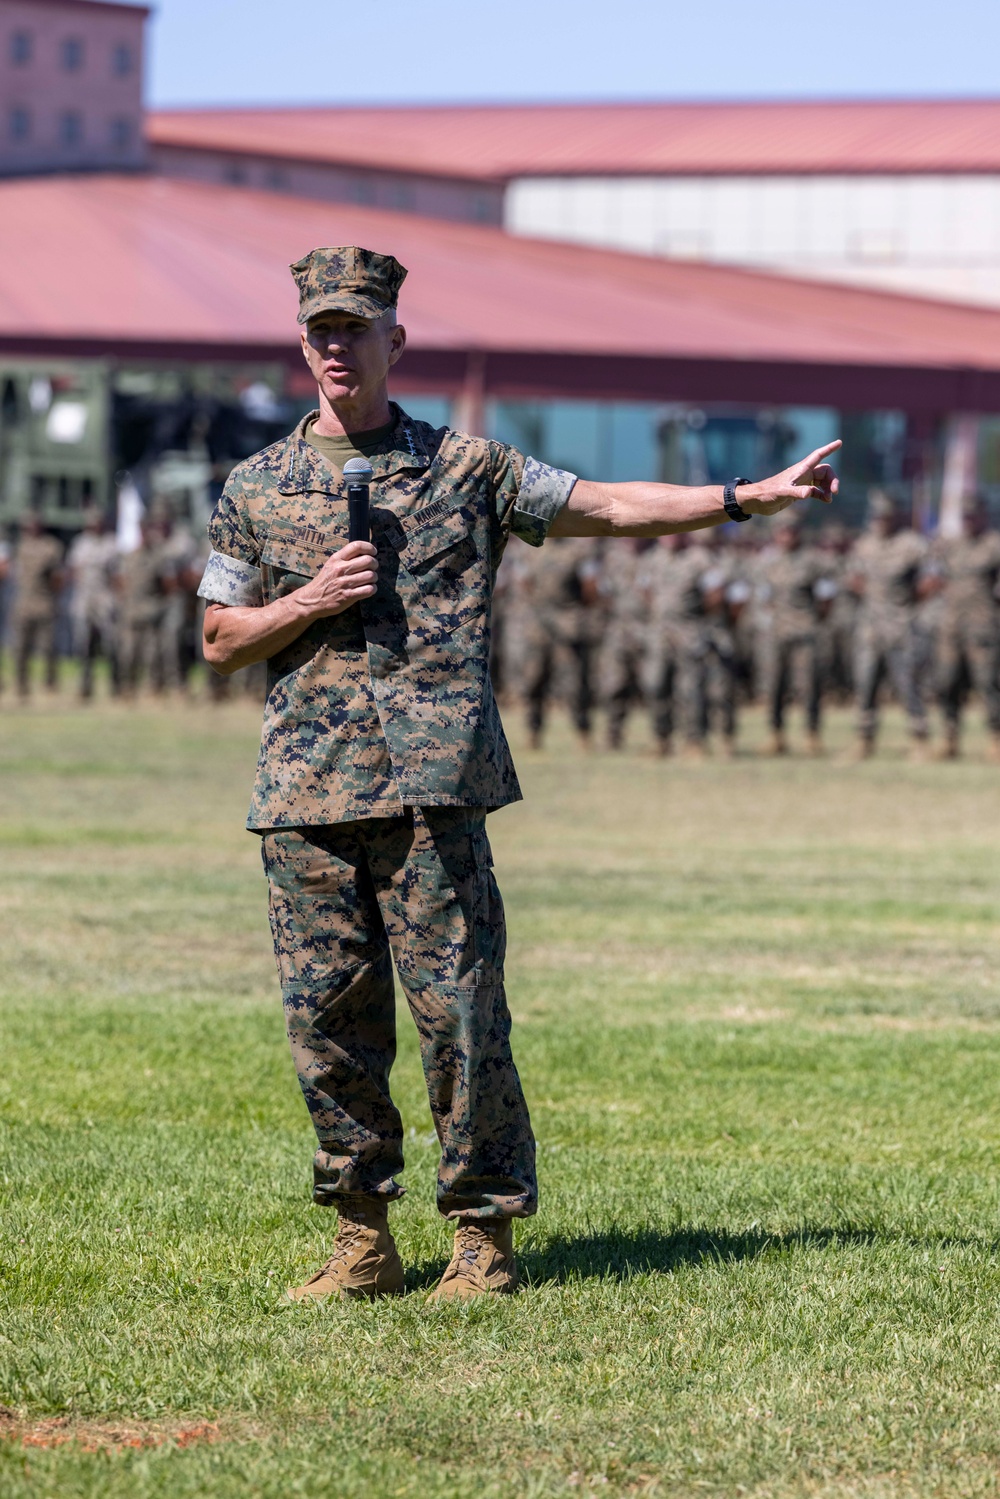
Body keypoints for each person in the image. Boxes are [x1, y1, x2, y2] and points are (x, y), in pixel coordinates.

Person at [198, 244, 839, 1303]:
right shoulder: (255, 487)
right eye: (321, 328)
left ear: (394, 340)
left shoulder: (468, 468)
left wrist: (742, 497)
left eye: (356, 327)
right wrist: (307, 599)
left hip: (433, 790)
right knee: (327, 1027)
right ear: (301, 342)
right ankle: (362, 1240)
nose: (337, 344)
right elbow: (221, 636)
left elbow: (604, 502)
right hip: (306, 798)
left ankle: (481, 1238)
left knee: (460, 1014)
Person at [848, 492, 930, 759]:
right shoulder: (864, 545)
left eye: (885, 516)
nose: (880, 521)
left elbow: (930, 581)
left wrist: (907, 603)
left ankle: (919, 739)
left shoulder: (912, 545)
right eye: (876, 516)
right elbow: (854, 579)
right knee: (865, 683)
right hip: (870, 626)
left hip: (902, 624)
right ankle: (864, 739)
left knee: (908, 683)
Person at [755, 513, 836, 755]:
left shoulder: (813, 561)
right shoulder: (767, 562)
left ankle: (811, 734)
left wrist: (813, 621)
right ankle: (775, 734)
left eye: (791, 530)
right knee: (774, 685)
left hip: (805, 631)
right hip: (776, 632)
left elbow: (826, 597)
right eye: (782, 530)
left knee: (809, 685)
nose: (787, 535)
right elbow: (763, 597)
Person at [932, 497, 1000, 761]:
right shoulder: (950, 546)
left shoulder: (993, 545)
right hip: (951, 627)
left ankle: (995, 737)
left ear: (984, 516)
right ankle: (949, 737)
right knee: (947, 682)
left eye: (974, 517)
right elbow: (935, 578)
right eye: (965, 517)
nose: (969, 522)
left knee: (988, 684)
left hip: (983, 628)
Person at [8, 514, 63, 700]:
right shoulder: (21, 545)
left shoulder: (51, 547)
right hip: (23, 603)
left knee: (48, 647)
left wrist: (54, 597)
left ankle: (50, 684)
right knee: (20, 648)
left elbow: (57, 578)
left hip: (44, 603)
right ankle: (21, 686)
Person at [67, 509, 118, 699]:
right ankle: (85, 687)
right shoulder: (80, 543)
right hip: (84, 598)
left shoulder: (111, 543)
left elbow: (117, 575)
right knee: (83, 645)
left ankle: (115, 685)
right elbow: (73, 571)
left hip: (104, 598)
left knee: (110, 644)